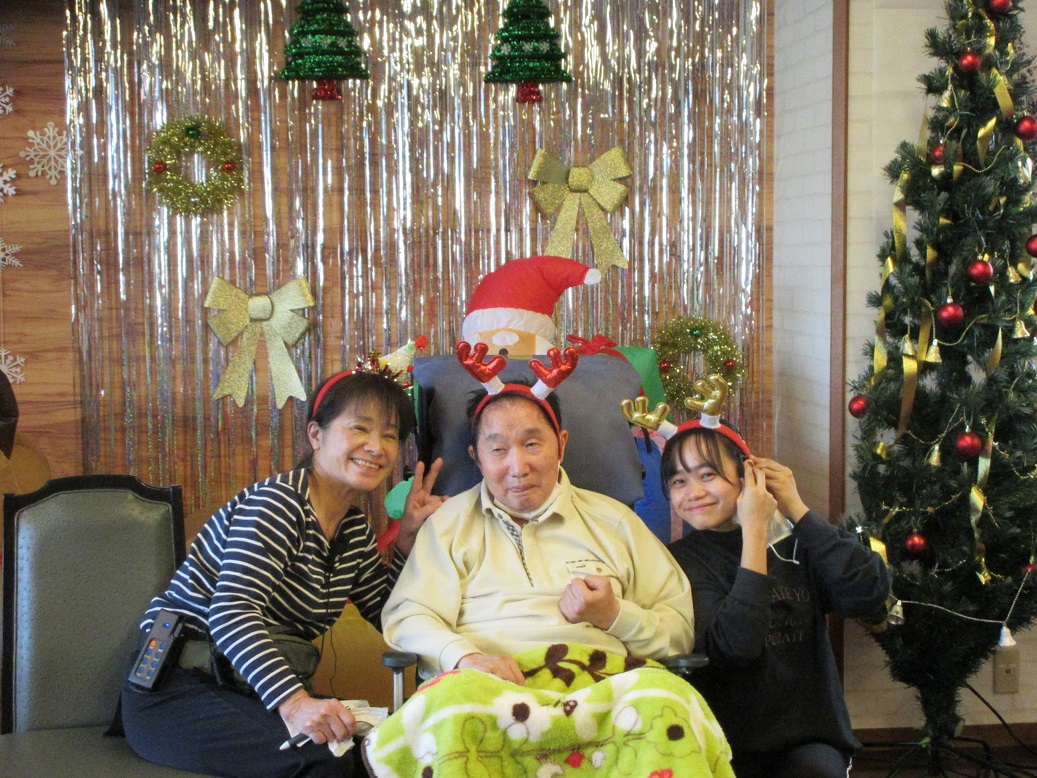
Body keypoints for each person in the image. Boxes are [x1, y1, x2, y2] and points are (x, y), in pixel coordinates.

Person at [119, 369, 445, 778]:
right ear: (316, 434)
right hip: (178, 690)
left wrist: (407, 543)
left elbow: (390, 613)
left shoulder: (353, 531)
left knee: (385, 749)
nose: (376, 447)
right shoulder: (278, 504)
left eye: (390, 435)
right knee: (331, 763)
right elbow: (231, 613)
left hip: (246, 689)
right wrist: (295, 704)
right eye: (359, 428)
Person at [382, 345, 695, 683]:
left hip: (602, 689)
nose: (518, 467)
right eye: (498, 449)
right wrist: (463, 657)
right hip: (485, 688)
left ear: (561, 444)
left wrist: (615, 615)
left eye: (532, 444)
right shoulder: (447, 525)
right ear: (477, 458)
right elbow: (408, 616)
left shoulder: (617, 522)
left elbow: (678, 631)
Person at [662, 416, 892, 778]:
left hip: (809, 741)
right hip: (722, 742)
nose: (693, 492)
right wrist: (755, 530)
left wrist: (795, 507)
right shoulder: (678, 562)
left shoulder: (794, 542)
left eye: (707, 475)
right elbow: (737, 646)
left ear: (748, 475)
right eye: (679, 481)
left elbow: (869, 592)